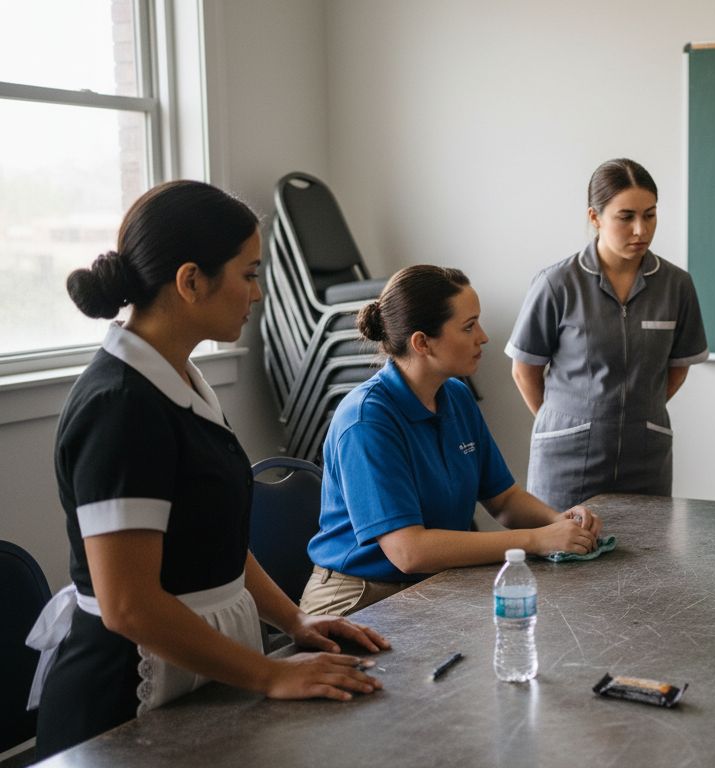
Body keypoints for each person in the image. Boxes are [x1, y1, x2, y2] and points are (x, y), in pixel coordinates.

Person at [32, 181, 389, 758]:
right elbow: (129, 604)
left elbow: (214, 540)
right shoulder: (118, 406)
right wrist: (271, 675)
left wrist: (296, 622)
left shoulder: (181, 379)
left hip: (204, 668)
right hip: (128, 696)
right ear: (191, 280)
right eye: (248, 274)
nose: (257, 293)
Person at [302, 265, 603, 617]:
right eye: (468, 326)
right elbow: (409, 552)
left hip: (433, 586)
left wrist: (560, 523)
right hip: (359, 596)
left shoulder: (456, 396)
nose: (483, 336)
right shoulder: (367, 420)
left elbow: (503, 500)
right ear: (422, 342)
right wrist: (536, 540)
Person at [506, 159, 709, 510]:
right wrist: (569, 419)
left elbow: (678, 367)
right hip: (565, 460)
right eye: (626, 217)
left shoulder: (676, 285)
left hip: (646, 456)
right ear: (595, 218)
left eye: (650, 215)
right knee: (562, 557)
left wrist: (638, 410)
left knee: (646, 559)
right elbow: (524, 370)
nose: (640, 230)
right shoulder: (556, 284)